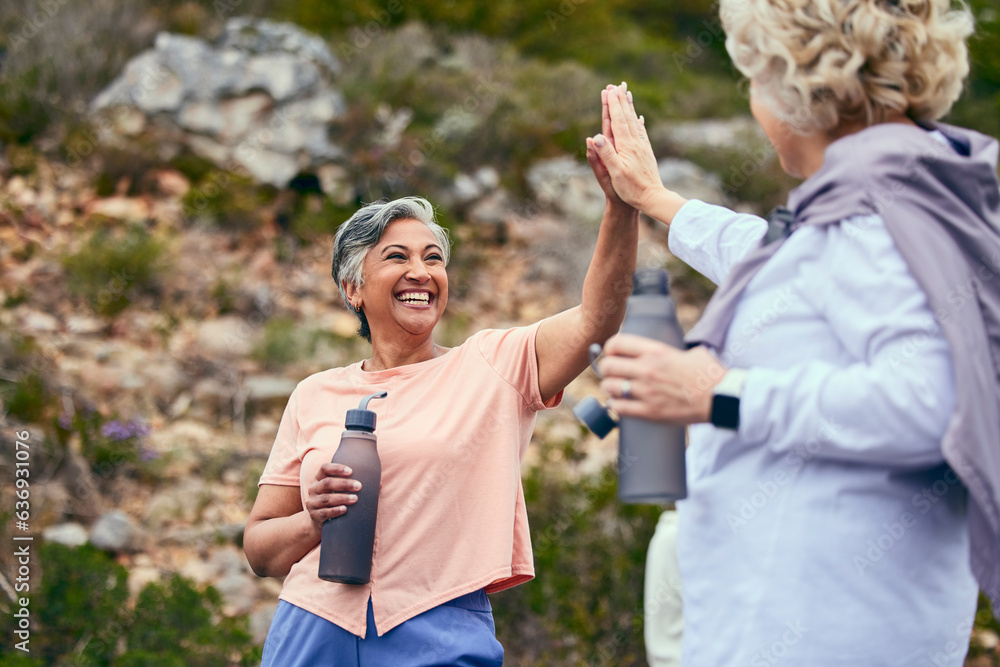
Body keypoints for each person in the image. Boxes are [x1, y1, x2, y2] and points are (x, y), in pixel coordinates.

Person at [589, 0, 1000, 664]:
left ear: (793, 85)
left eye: (753, 76)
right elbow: (793, 264)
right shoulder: (912, 196)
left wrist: (720, 393)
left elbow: (933, 401)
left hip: (822, 631)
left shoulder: (875, 220)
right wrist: (657, 199)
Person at [243, 95, 640, 665]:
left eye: (434, 257)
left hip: (436, 628)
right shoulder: (314, 393)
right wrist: (313, 521)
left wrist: (620, 207)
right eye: (397, 257)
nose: (421, 272)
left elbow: (597, 319)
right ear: (353, 289)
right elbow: (259, 549)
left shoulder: (492, 364)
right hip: (313, 628)